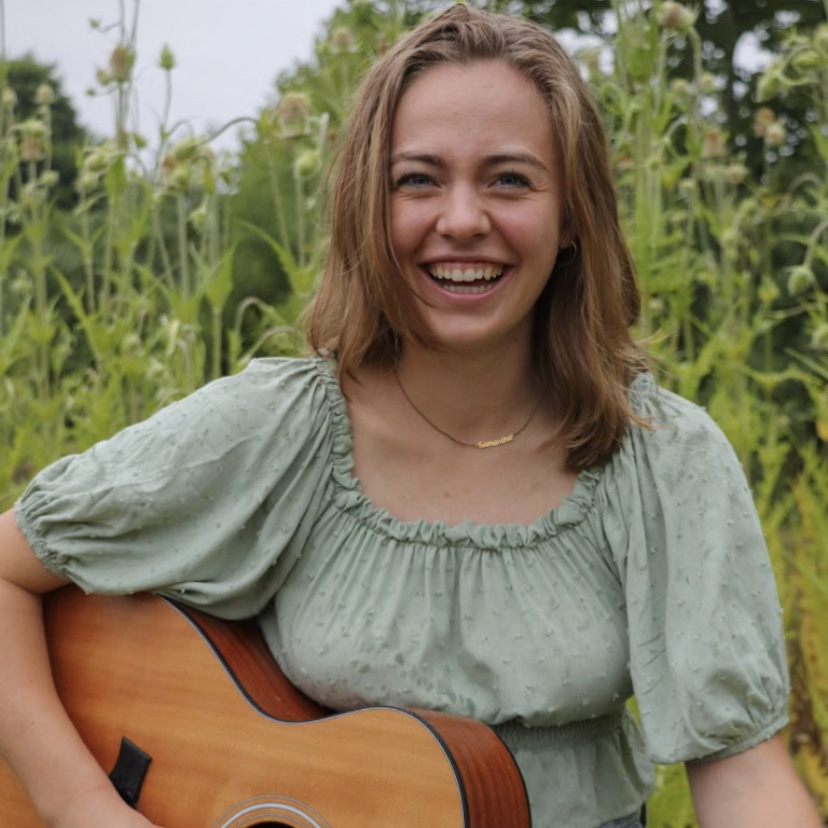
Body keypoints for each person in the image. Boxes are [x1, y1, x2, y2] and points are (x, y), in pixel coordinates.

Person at [0, 5, 822, 828]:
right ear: (367, 205)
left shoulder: (662, 455)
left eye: (508, 178)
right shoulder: (276, 429)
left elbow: (744, 777)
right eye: (418, 180)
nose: (462, 220)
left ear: (573, 216)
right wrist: (80, 807)